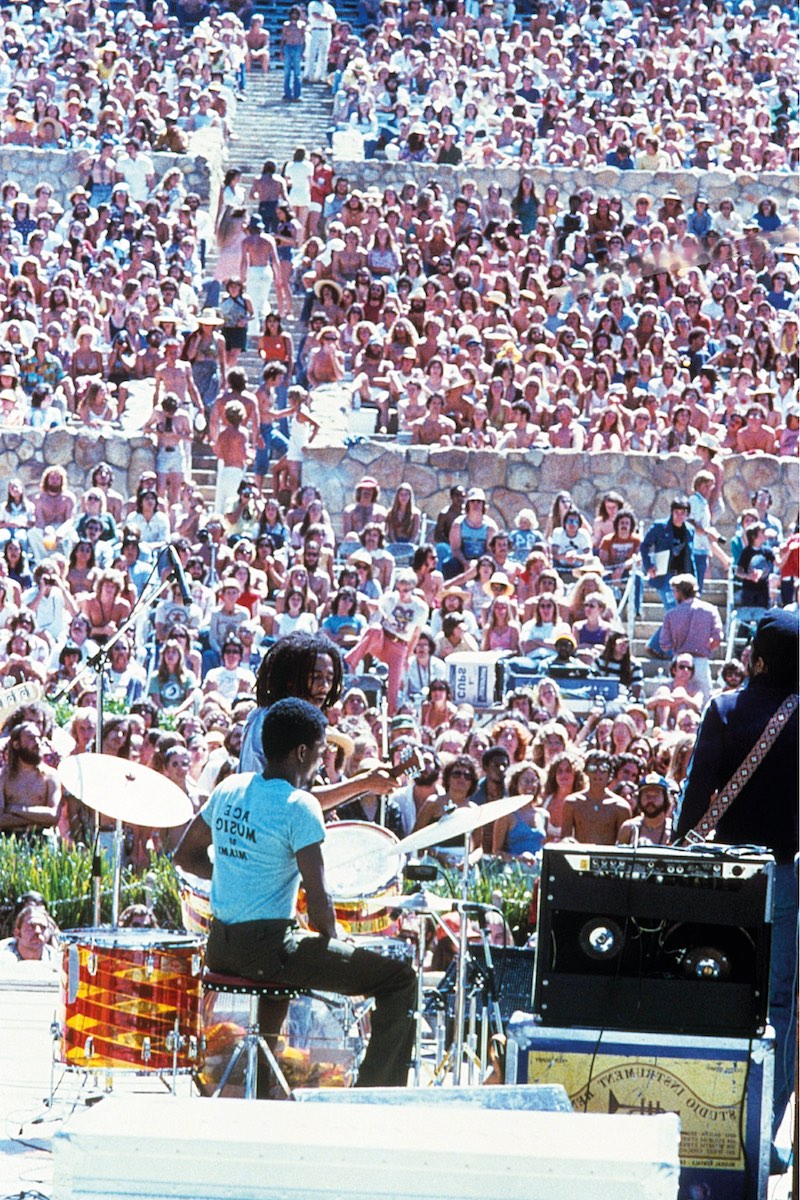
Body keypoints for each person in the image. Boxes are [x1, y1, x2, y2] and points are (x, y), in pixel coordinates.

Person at [174, 697, 416, 1088]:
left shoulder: (229, 789)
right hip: (268, 952)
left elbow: (184, 856)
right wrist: (338, 944)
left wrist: (238, 873)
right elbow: (319, 904)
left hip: (221, 946)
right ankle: (375, 1094)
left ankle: (266, 1081)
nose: (322, 762)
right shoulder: (299, 807)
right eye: (321, 752)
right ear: (302, 751)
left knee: (283, 965)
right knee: (399, 979)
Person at [674, 610, 798, 1168]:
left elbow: (697, 798)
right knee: (777, 1007)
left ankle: (706, 1126)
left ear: (759, 657)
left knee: (711, 990)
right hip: (783, 874)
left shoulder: (724, 709)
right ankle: (763, 1134)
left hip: (723, 877)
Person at [641, 497, 697, 658]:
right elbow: (644, 545)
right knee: (675, 612)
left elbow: (690, 556)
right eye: (676, 512)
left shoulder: (689, 530)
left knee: (679, 613)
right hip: (665, 577)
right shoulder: (660, 527)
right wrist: (649, 565)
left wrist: (695, 580)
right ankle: (672, 651)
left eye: (683, 513)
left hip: (683, 578)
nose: (679, 516)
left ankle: (654, 644)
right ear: (672, 512)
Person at [657, 574, 723, 704]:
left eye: (675, 591)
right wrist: (706, 647)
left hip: (679, 663)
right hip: (701, 662)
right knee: (702, 704)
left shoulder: (671, 614)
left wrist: (678, 645)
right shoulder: (710, 610)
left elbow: (664, 644)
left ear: (680, 592)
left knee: (676, 703)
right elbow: (718, 637)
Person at [0, 720, 61, 834]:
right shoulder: (3, 777)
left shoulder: (50, 776)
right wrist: (39, 819)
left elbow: (53, 815)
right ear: (16, 744)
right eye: (31, 738)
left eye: (38, 737)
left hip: (42, 839)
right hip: (11, 839)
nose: (37, 742)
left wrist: (15, 809)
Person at [561, 749, 631, 845]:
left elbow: (623, 845)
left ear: (610, 773)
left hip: (607, 858)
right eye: (593, 768)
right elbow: (565, 840)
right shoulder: (572, 803)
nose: (598, 773)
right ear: (586, 771)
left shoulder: (620, 807)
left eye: (603, 768)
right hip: (580, 857)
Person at [617, 774, 673, 846]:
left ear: (665, 798)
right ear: (639, 798)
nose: (651, 800)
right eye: (647, 795)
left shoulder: (673, 830)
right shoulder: (629, 828)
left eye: (656, 796)